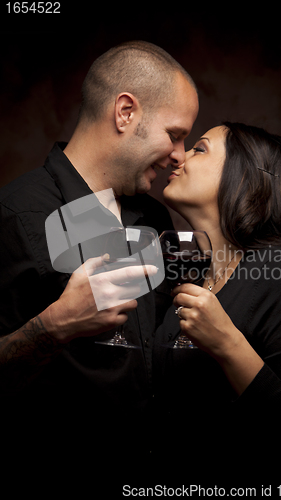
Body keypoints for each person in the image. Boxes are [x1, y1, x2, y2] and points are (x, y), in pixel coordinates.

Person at [0, 41, 198, 490]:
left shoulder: (152, 217)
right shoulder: (15, 216)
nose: (180, 155)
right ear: (125, 112)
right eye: (174, 134)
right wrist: (55, 325)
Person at [152, 123, 281, 488]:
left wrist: (228, 345)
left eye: (199, 148)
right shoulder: (192, 275)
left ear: (246, 179)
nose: (178, 155)